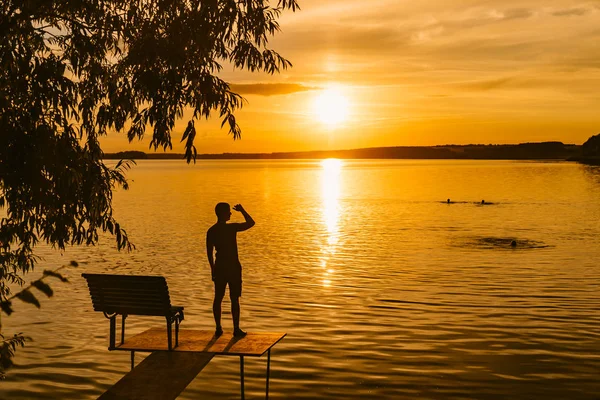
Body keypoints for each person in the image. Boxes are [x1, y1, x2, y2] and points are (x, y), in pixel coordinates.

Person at [206, 203, 255, 337]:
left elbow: (209, 253)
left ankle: (218, 328)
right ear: (222, 213)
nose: (230, 214)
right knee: (234, 299)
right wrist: (243, 210)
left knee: (218, 298)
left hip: (220, 267)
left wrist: (212, 268)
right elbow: (251, 223)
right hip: (232, 267)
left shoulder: (212, 231)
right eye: (228, 212)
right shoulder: (231, 228)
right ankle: (236, 329)